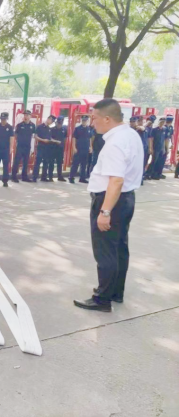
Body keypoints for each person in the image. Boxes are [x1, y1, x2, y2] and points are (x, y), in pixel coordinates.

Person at [74, 99, 143, 312]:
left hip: (111, 200)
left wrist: (105, 211)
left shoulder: (115, 143)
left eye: (94, 118)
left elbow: (116, 180)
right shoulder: (131, 134)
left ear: (106, 118)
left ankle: (102, 299)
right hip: (126, 199)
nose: (92, 122)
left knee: (105, 250)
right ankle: (115, 292)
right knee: (119, 247)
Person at [11, 110, 36, 182]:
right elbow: (15, 135)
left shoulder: (32, 125)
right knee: (17, 161)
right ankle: (14, 176)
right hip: (20, 146)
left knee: (26, 162)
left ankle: (24, 177)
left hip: (27, 146)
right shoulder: (19, 125)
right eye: (25, 115)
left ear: (30, 116)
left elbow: (34, 135)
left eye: (27, 115)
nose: (26, 116)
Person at [0, 112, 14, 187]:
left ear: (7, 119)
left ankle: (5, 181)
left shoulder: (10, 127)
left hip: (6, 149)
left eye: (4, 119)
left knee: (5, 166)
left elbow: (11, 138)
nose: (3, 120)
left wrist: (11, 148)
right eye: (2, 119)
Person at [69, 115, 93, 184]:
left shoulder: (88, 129)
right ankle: (71, 177)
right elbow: (74, 138)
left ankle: (82, 178)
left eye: (85, 120)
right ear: (81, 121)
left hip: (86, 148)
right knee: (75, 164)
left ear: (87, 121)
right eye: (83, 120)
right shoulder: (77, 129)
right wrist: (74, 147)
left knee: (84, 164)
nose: (84, 122)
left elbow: (90, 138)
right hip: (79, 148)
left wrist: (90, 147)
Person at [32, 115, 54, 182]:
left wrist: (54, 141)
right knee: (38, 162)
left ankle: (43, 177)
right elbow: (35, 136)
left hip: (47, 147)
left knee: (46, 162)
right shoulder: (39, 127)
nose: (51, 122)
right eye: (51, 120)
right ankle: (34, 177)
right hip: (41, 146)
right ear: (48, 119)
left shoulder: (49, 129)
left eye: (52, 121)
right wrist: (43, 140)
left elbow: (49, 138)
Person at [49, 116, 67, 181]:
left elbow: (65, 138)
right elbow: (49, 138)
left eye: (61, 123)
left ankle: (60, 176)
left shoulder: (64, 129)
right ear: (56, 122)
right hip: (53, 148)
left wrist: (63, 145)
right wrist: (56, 141)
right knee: (51, 163)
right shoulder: (52, 129)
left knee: (59, 163)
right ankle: (50, 177)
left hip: (60, 148)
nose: (59, 125)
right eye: (59, 123)